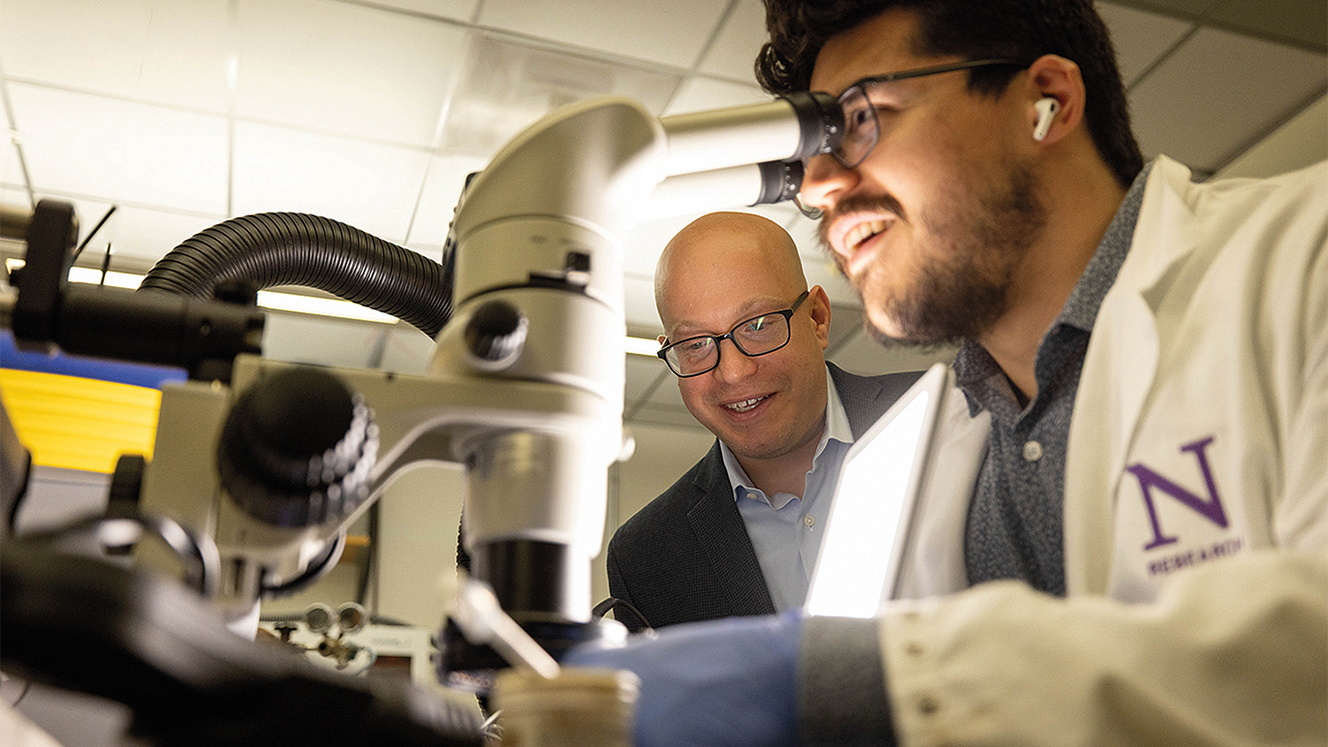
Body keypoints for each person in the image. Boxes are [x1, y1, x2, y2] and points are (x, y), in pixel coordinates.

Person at [566, 1, 1328, 745]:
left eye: (862, 119)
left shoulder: (1304, 259)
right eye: (815, 154)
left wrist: (866, 682)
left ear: (1047, 100)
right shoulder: (936, 451)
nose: (823, 186)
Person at [606, 211, 921, 631]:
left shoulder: (953, 415)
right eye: (696, 343)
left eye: (757, 325)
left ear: (817, 318)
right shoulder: (646, 556)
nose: (733, 372)